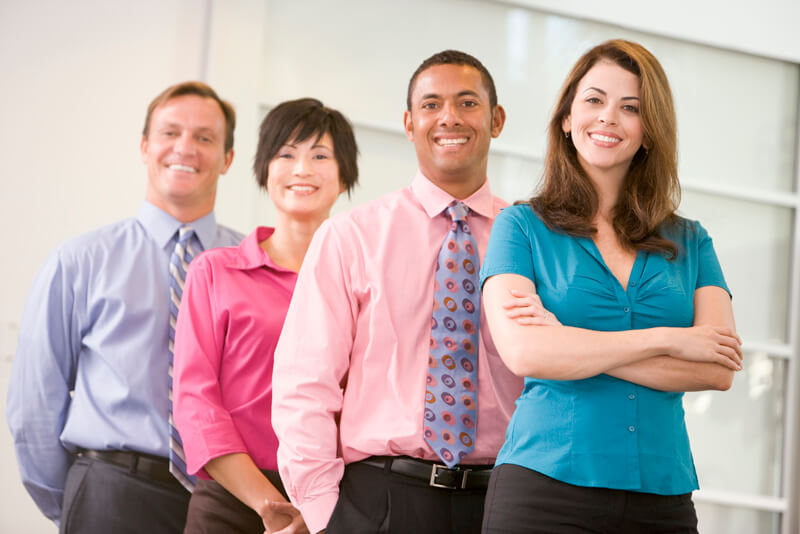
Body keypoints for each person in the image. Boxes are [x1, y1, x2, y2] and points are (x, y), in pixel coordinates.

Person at [479, 39, 742, 533]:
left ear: (649, 132)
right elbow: (526, 353)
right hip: (544, 490)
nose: (608, 118)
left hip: (662, 499)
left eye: (631, 108)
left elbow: (717, 368)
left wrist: (568, 342)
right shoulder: (520, 227)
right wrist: (670, 339)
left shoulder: (691, 241)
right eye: (594, 100)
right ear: (567, 118)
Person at [271, 50, 523, 534]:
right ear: (410, 124)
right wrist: (324, 512)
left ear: (497, 120)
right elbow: (304, 382)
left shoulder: (529, 240)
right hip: (380, 500)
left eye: (467, 102)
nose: (449, 117)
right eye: (431, 105)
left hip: (502, 502)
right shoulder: (351, 236)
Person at [6, 81, 244, 534]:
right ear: (144, 146)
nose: (185, 147)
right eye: (170, 133)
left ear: (228, 158)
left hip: (222, 504)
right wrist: (75, 505)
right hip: (112, 495)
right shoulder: (80, 260)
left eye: (204, 137)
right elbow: (34, 405)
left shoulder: (251, 266)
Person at [172, 98, 358, 534]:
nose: (302, 169)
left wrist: (315, 507)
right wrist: (269, 504)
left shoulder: (363, 284)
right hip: (231, 501)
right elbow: (196, 402)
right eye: (286, 154)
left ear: (344, 175)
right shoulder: (214, 272)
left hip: (332, 504)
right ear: (265, 170)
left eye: (320, 156)